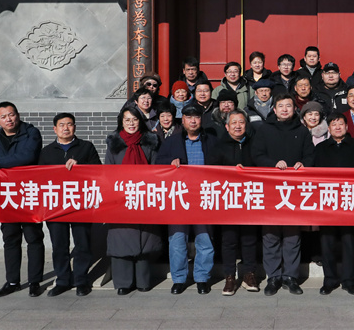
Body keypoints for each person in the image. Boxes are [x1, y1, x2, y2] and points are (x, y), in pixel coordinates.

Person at [251, 93, 315, 296]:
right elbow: (256, 155)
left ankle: (290, 277)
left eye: (289, 106)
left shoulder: (302, 130)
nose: (285, 109)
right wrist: (272, 164)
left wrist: (303, 164)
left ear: (294, 109)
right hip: (270, 189)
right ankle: (273, 277)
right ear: (274, 109)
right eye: (281, 106)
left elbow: (310, 155)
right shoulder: (264, 129)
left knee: (292, 235)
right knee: (270, 235)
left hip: (294, 190)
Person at [0, 101, 44, 298]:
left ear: (17, 115)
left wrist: (0, 162)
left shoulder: (31, 133)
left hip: (29, 194)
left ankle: (35, 281)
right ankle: (12, 282)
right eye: (4, 116)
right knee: (10, 239)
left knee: (34, 238)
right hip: (6, 197)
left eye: (11, 114)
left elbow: (27, 156)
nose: (9, 119)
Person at [155, 104, 218, 295]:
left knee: (205, 240)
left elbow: (222, 164)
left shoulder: (211, 140)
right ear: (182, 121)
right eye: (189, 117)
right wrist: (169, 163)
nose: (193, 121)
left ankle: (202, 278)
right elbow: (158, 164)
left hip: (203, 197)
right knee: (177, 241)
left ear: (201, 120)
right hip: (179, 198)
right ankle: (179, 279)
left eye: (196, 117)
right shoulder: (171, 141)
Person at [38, 112, 101, 297]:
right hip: (56, 205)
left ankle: (81, 280)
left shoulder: (86, 147)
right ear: (55, 129)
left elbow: (99, 170)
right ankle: (63, 280)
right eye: (62, 125)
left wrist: (80, 166)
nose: (66, 128)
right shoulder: (46, 151)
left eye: (70, 124)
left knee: (82, 243)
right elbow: (39, 177)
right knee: (59, 245)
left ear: (75, 127)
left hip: (80, 203)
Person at [105, 106, 162, 295]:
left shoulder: (150, 142)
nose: (131, 123)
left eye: (135, 119)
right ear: (121, 122)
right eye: (127, 120)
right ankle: (123, 282)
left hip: (145, 197)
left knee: (144, 238)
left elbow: (156, 169)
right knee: (122, 237)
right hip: (120, 198)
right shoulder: (114, 143)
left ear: (140, 121)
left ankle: (143, 280)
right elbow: (108, 171)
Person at [205, 109, 260, 296]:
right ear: (227, 126)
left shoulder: (254, 144)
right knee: (228, 240)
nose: (238, 126)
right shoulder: (218, 147)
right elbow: (211, 172)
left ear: (246, 125)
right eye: (234, 123)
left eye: (241, 122)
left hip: (250, 199)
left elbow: (262, 166)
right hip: (228, 200)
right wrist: (231, 171)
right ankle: (229, 276)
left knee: (249, 239)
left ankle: (249, 274)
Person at [313, 112, 354, 296]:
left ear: (346, 127)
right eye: (333, 124)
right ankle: (329, 280)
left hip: (349, 199)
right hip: (327, 201)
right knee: (327, 241)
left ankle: (349, 281)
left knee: (349, 241)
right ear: (328, 128)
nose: (337, 127)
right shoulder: (321, 148)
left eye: (341, 124)